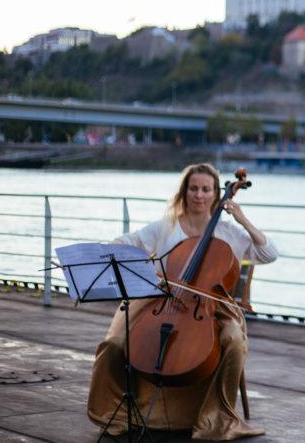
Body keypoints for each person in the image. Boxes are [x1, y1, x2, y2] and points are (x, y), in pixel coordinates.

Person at [87, 162, 278, 440]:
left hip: (211, 307)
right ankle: (114, 412)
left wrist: (242, 219)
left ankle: (217, 418)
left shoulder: (229, 233)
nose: (199, 195)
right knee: (114, 343)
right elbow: (130, 240)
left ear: (216, 194)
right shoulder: (167, 227)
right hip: (160, 300)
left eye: (206, 189)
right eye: (193, 188)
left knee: (234, 340)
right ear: (184, 192)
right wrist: (112, 247)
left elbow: (268, 253)